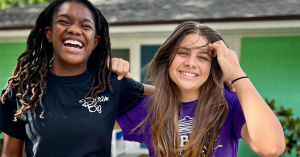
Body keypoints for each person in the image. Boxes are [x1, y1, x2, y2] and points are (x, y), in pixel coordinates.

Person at [0, 0, 153, 156]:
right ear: (49, 33)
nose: (74, 29)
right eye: (64, 22)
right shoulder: (20, 90)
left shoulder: (111, 83)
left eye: (85, 26)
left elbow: (169, 95)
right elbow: (10, 154)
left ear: (95, 42)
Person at [116, 21, 286, 157]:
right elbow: (91, 119)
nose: (191, 62)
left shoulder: (229, 103)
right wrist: (104, 72)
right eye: (183, 53)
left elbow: (272, 148)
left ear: (214, 66)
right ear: (168, 59)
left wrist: (237, 73)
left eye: (202, 57)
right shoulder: (150, 107)